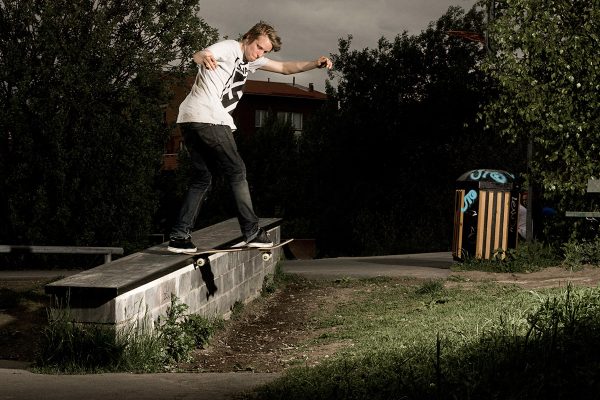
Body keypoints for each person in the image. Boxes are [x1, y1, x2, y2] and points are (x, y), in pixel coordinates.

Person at [168, 21, 333, 254]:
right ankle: (252, 231)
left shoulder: (250, 60)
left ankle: (178, 236)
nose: (259, 54)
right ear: (248, 37)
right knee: (237, 171)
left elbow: (285, 68)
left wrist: (314, 63)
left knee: (202, 179)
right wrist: (202, 57)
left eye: (264, 51)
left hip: (189, 118)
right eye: (258, 47)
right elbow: (203, 53)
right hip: (209, 117)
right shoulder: (230, 47)